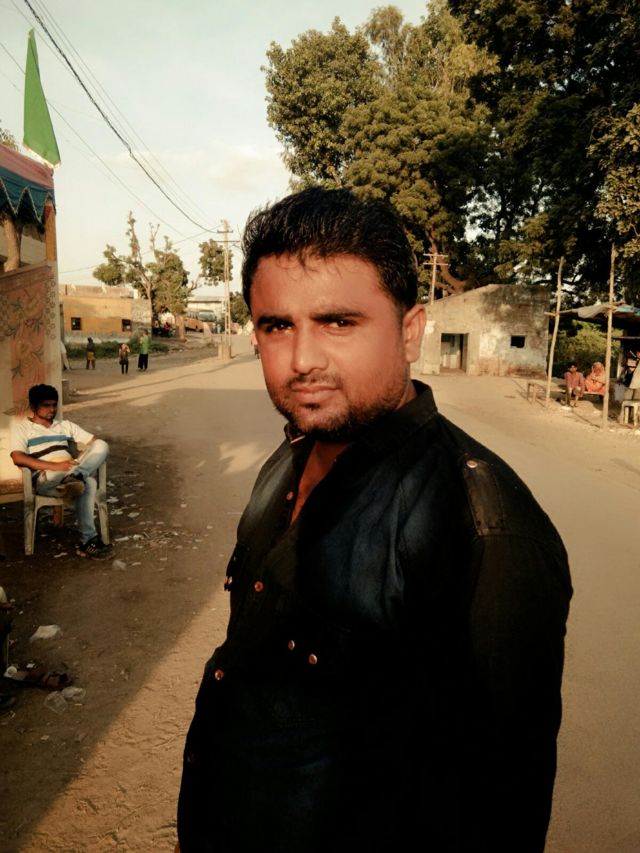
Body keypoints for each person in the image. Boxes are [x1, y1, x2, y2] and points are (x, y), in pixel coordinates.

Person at [176, 188, 572, 853]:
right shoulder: (288, 459)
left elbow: (495, 809)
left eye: (338, 322)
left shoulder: (483, 528)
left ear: (410, 332)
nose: (302, 358)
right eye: (277, 326)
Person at [9, 384, 112, 558]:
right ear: (33, 407)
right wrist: (55, 466)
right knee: (89, 482)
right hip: (47, 477)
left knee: (102, 446)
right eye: (46, 405)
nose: (52, 409)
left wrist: (81, 458)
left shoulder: (64, 425)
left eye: (54, 405)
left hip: (71, 469)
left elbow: (94, 442)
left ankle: (76, 478)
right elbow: (17, 457)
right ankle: (89, 539)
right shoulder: (23, 428)